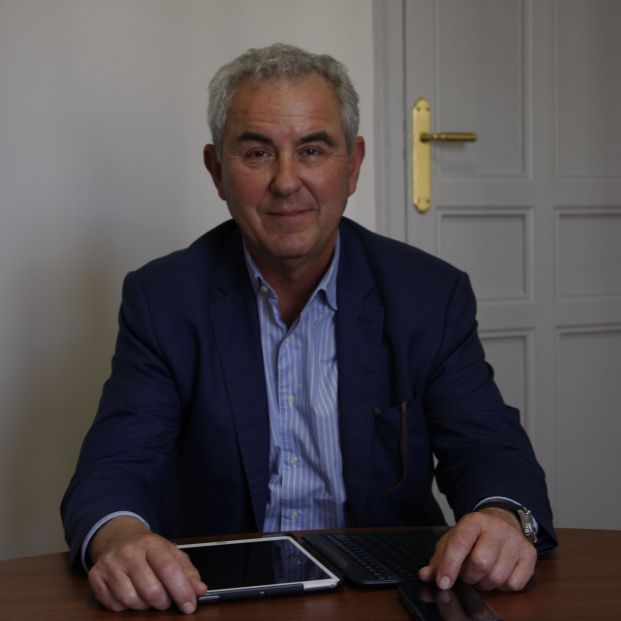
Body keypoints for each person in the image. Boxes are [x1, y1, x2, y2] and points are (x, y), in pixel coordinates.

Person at [61, 43, 556, 614]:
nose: (286, 181)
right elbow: (115, 465)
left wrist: (501, 518)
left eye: (313, 150)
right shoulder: (164, 299)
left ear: (354, 165)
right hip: (217, 598)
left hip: (390, 592)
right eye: (257, 153)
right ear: (217, 171)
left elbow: (488, 448)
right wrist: (120, 538)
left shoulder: (428, 295)